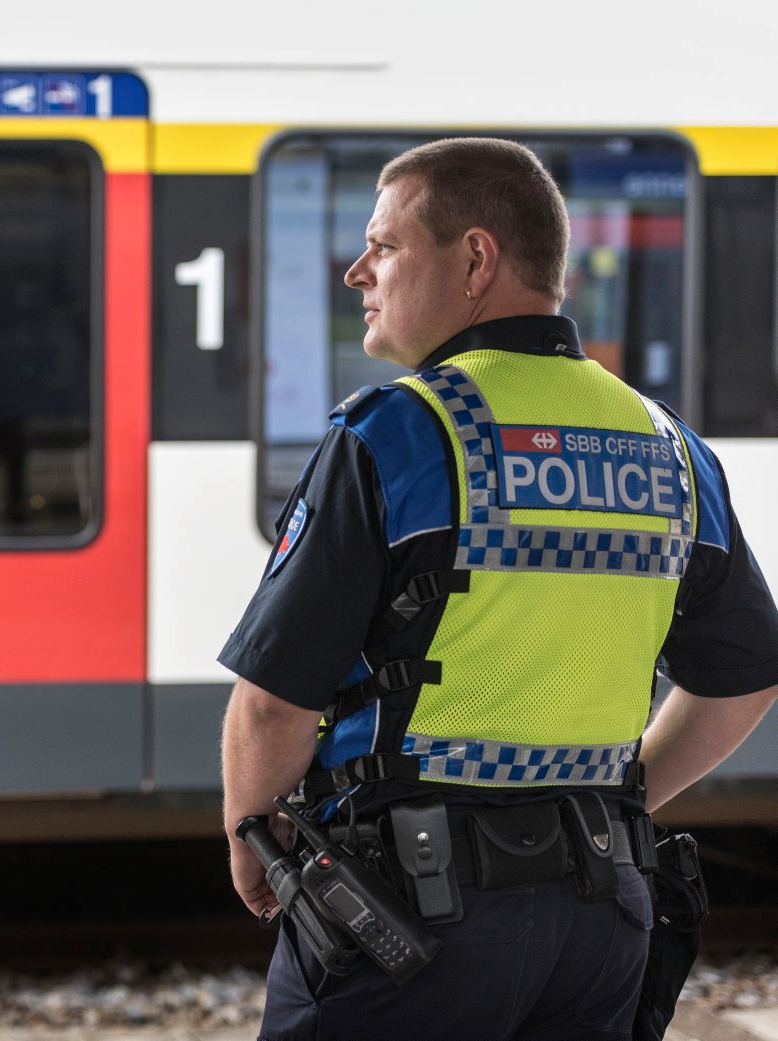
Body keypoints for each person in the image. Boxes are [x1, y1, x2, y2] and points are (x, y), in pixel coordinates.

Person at [218, 138, 778, 1041]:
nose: (357, 271)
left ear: (475, 259)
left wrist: (250, 833)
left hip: (409, 916)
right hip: (601, 920)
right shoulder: (668, 446)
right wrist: (620, 796)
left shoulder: (395, 432)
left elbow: (274, 703)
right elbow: (744, 675)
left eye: (385, 245)